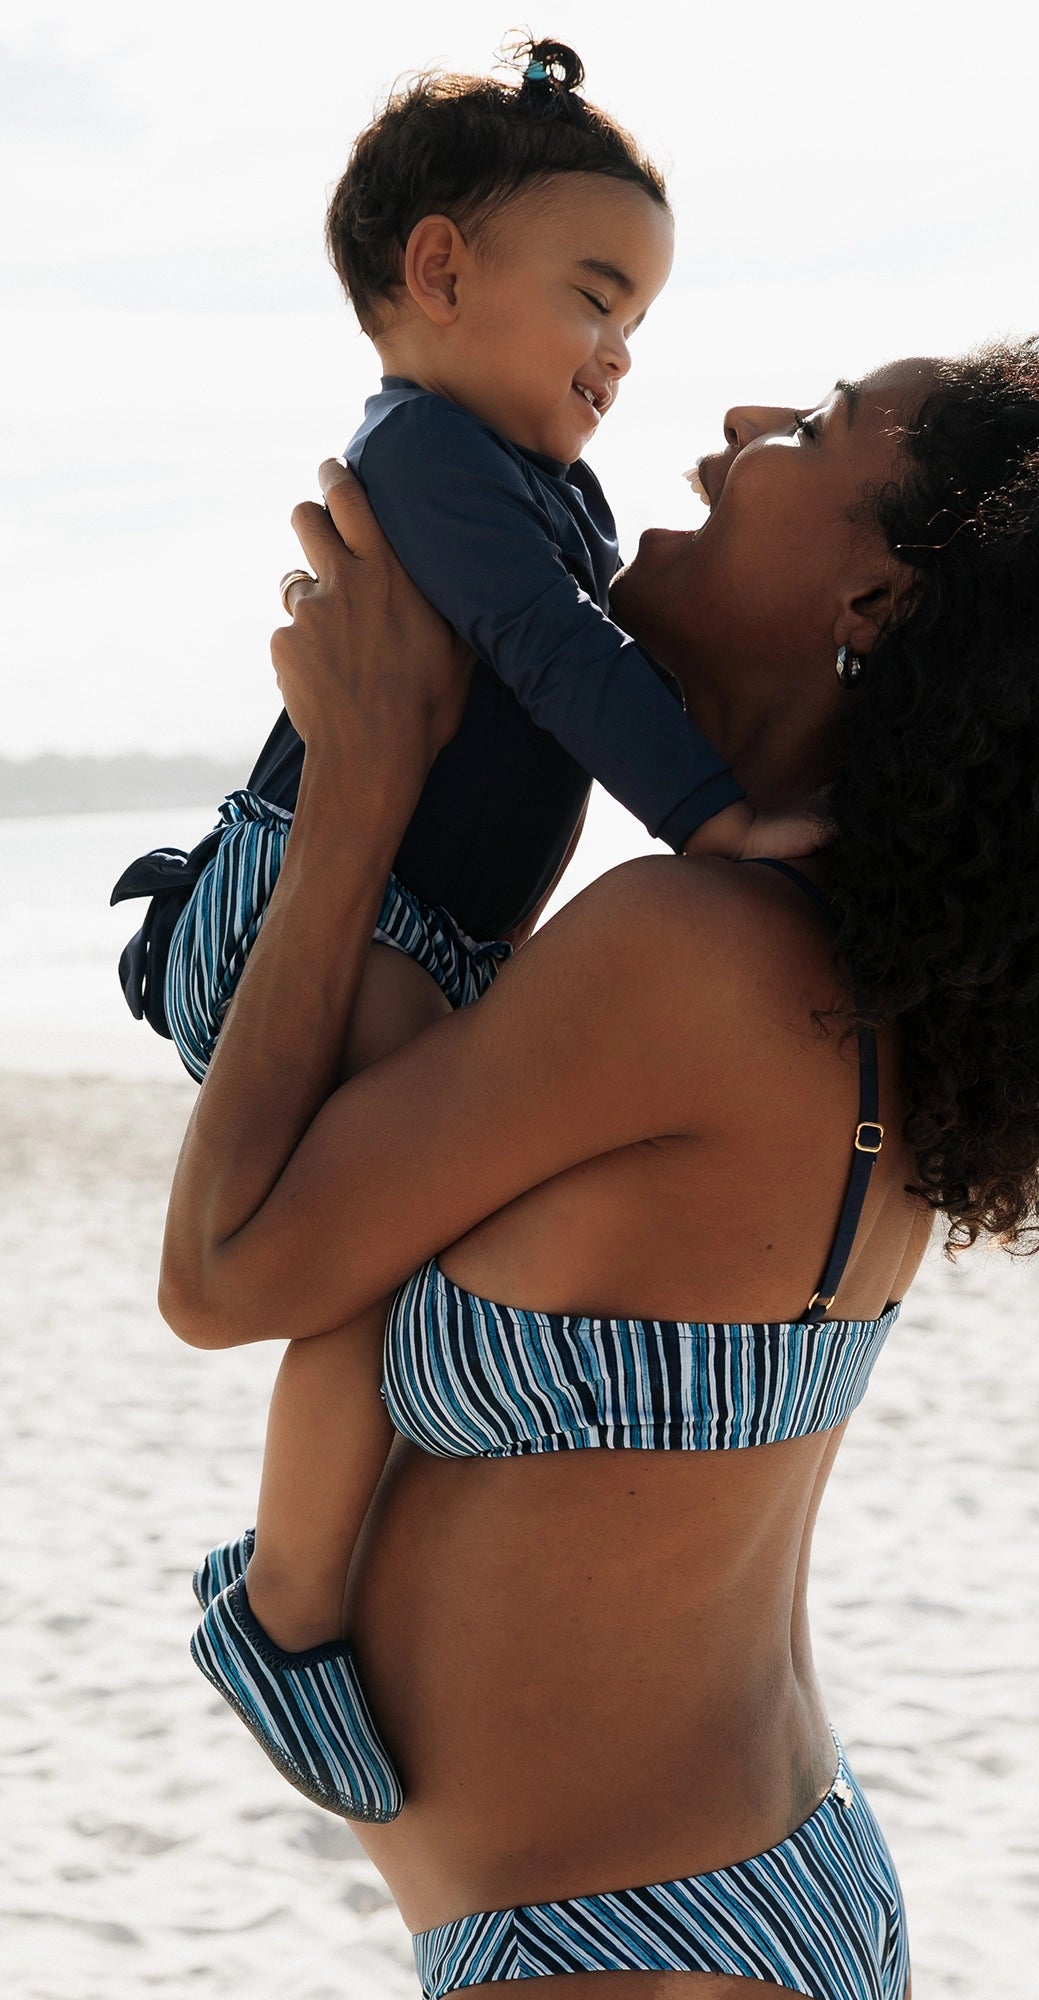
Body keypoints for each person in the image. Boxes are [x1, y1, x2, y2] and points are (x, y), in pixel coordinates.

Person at [159, 339, 1039, 1999]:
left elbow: (223, 1269)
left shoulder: (696, 957)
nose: (742, 422)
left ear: (875, 600)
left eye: (814, 429)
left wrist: (357, 792)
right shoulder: (868, 974)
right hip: (736, 1891)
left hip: (622, 1938)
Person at [113, 40, 819, 1825]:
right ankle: (287, 1607)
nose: (620, 354)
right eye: (594, 297)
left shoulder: (523, 485)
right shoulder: (428, 457)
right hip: (334, 904)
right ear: (437, 272)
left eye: (636, 317)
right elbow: (558, 660)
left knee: (403, 1228)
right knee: (358, 1263)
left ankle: (314, 1574)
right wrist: (710, 817)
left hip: (415, 925)